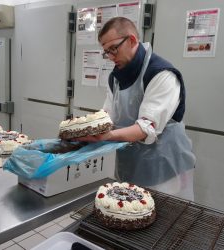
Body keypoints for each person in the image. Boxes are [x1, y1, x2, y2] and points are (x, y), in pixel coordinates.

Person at [75, 17, 196, 200]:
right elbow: (108, 115)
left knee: (162, 220)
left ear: (132, 40)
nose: (110, 57)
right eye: (106, 52)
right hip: (131, 163)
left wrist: (106, 136)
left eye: (114, 49)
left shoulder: (161, 74)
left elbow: (145, 127)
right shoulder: (116, 77)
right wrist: (90, 128)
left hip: (164, 168)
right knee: (130, 215)